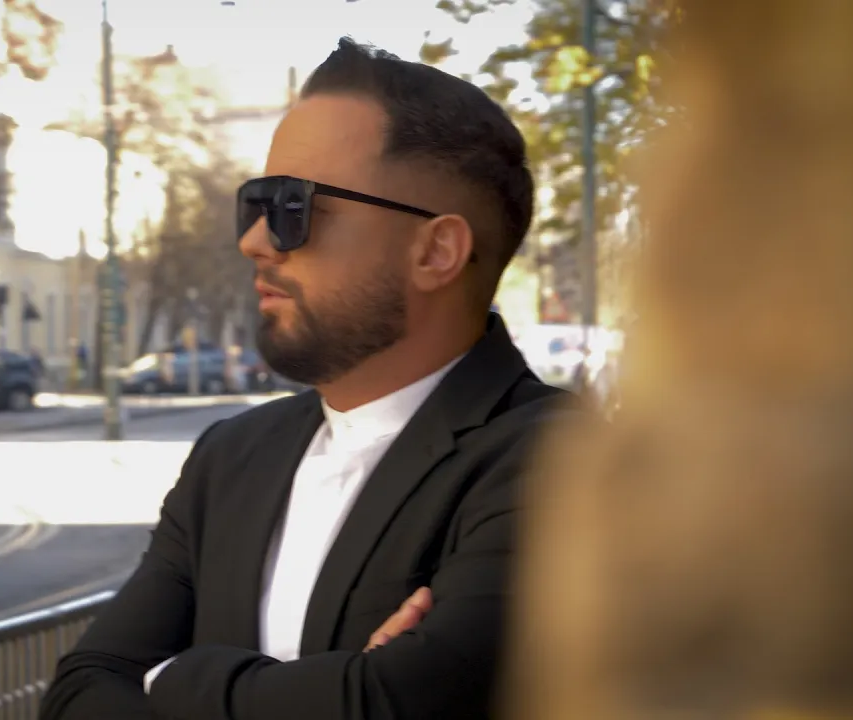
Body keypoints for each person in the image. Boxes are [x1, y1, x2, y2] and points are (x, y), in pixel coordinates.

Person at [40, 38, 568, 720]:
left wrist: (170, 680)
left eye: (292, 208)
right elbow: (78, 693)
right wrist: (330, 689)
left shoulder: (564, 460)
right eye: (254, 204)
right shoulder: (231, 457)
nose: (254, 241)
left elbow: (394, 701)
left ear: (435, 250)